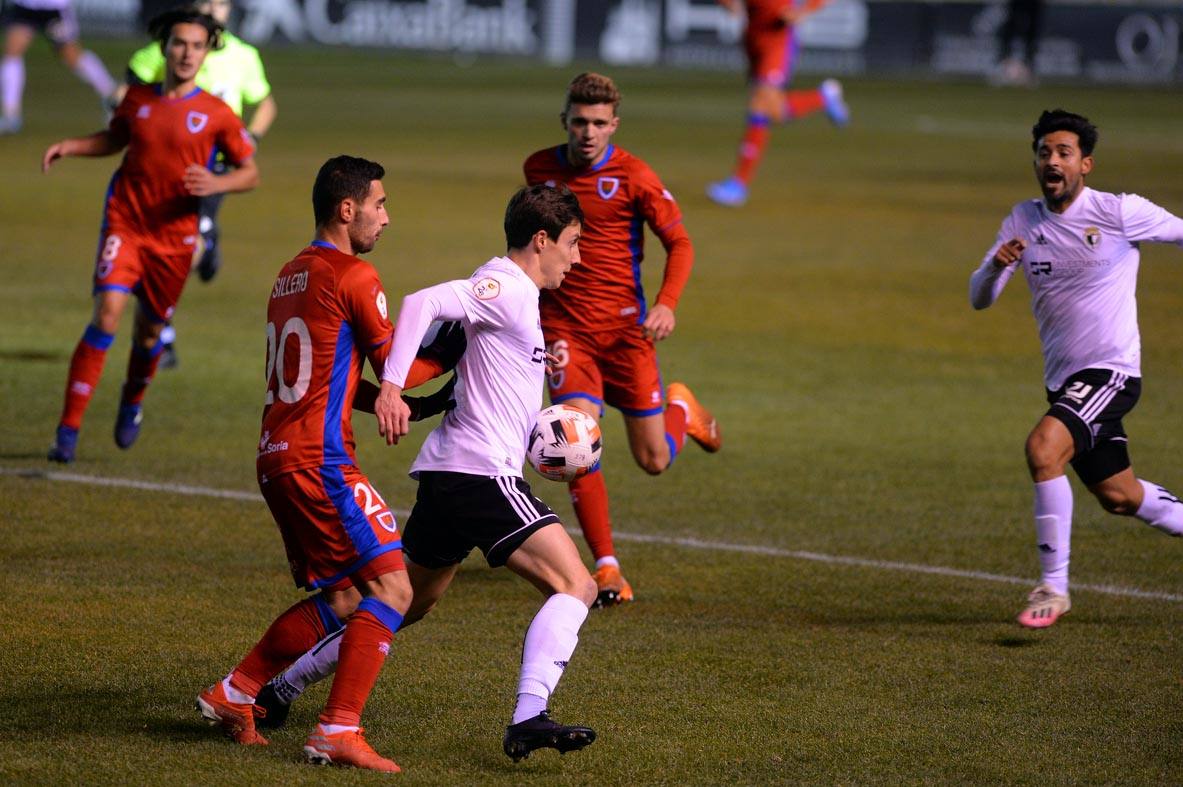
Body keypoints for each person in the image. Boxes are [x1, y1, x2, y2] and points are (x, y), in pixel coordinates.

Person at [249, 185, 601, 764]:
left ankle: (280, 688)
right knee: (576, 585)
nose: (578, 256)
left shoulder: (517, 300)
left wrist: (542, 393)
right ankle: (529, 716)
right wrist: (390, 389)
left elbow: (483, 367)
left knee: (405, 601)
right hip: (479, 474)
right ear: (542, 240)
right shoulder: (508, 286)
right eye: (573, 243)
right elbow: (421, 303)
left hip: (453, 474)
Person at [196, 155, 452, 772]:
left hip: (276, 455)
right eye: (380, 204)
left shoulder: (290, 274)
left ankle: (234, 693)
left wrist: (409, 409)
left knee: (343, 597)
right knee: (394, 585)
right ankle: (337, 729)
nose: (386, 218)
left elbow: (330, 376)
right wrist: (456, 345)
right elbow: (395, 361)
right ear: (348, 208)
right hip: (320, 459)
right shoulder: (354, 276)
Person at [970, 109, 1183, 629]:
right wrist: (997, 265)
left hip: (1110, 373)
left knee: (1044, 448)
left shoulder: (1118, 211)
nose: (1052, 161)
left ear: (1084, 163)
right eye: (1044, 152)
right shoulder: (1023, 219)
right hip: (1066, 385)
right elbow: (979, 298)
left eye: (1064, 152)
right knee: (1119, 496)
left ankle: (1054, 586)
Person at [523, 72, 722, 607]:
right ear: (564, 120)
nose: (588, 133)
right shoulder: (538, 169)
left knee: (653, 459)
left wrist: (666, 304)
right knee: (575, 442)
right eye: (579, 121)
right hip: (565, 330)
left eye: (599, 124)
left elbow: (679, 241)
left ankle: (681, 407)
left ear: (614, 124)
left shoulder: (633, 175)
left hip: (626, 333)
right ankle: (606, 567)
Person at [43, 7, 258, 464]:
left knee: (148, 335)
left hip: (174, 239)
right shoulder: (138, 99)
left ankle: (132, 399)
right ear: (165, 47)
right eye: (179, 43)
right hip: (126, 223)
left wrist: (216, 184)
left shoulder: (216, 113)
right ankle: (67, 430)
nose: (186, 53)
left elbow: (249, 172)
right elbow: (113, 138)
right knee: (107, 315)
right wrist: (70, 146)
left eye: (197, 46)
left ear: (207, 53)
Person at [119, 0, 278, 368]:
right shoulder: (179, 46)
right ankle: (204, 253)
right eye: (205, 1)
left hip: (215, 166)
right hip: (167, 163)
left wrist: (251, 137)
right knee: (158, 249)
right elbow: (134, 79)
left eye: (219, 2)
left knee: (183, 251)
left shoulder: (242, 56)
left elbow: (265, 102)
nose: (212, 7)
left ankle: (164, 331)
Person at [706, 0, 850, 207]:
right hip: (754, 33)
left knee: (760, 104)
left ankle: (739, 184)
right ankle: (823, 97)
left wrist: (804, 9)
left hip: (777, 36)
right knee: (773, 109)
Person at [0, 0, 116, 134]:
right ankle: (11, 115)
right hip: (25, 6)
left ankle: (111, 94)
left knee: (72, 56)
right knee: (12, 51)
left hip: (53, 8)